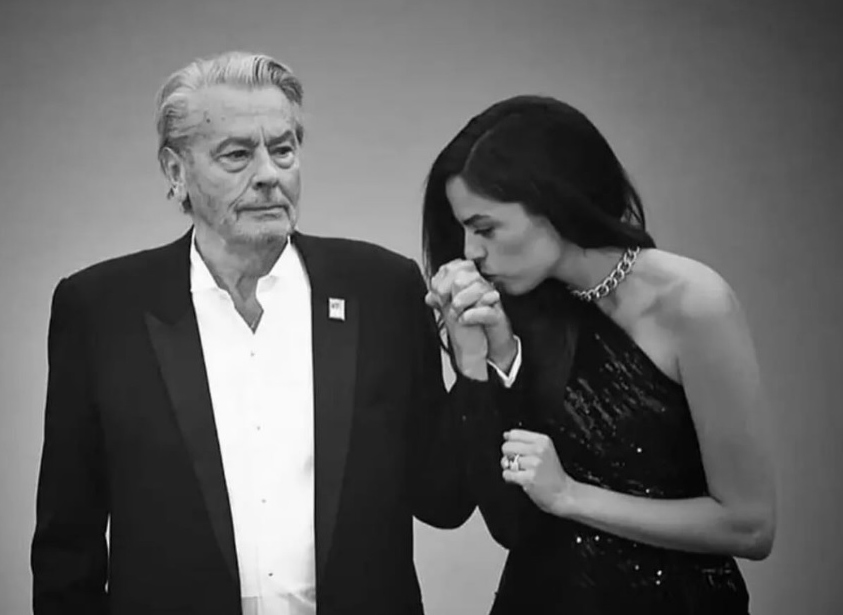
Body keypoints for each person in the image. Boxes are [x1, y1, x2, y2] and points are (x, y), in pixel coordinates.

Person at [31, 51, 515, 615]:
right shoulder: (101, 310)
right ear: (175, 171)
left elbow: (444, 500)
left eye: (283, 149)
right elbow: (68, 543)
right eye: (237, 155)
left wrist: (475, 366)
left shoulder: (382, 289)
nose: (269, 174)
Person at [422, 95, 777, 614]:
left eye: (485, 228)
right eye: (463, 231)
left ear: (551, 201)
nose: (470, 252)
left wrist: (571, 496)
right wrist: (479, 360)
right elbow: (509, 525)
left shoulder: (692, 302)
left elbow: (751, 526)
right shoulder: (516, 308)